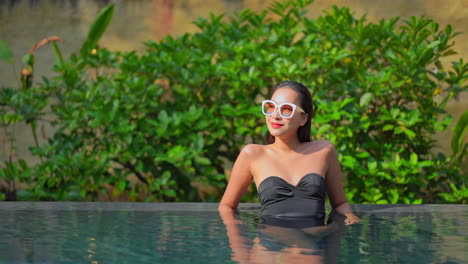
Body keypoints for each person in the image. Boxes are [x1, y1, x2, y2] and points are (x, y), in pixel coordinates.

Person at [218, 80, 360, 225]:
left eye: (286, 109)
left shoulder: (324, 151)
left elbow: (340, 204)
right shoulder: (252, 154)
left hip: (314, 244)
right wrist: (239, 244)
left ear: (303, 118)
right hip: (269, 246)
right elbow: (226, 206)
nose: (276, 115)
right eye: (271, 107)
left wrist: (350, 218)